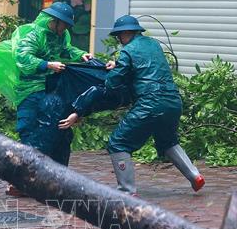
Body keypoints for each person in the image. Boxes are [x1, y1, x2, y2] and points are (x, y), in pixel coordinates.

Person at [58, 15, 205, 195]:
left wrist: (114, 72)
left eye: (119, 36)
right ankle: (195, 176)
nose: (119, 41)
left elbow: (112, 83)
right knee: (168, 141)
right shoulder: (153, 44)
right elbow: (144, 67)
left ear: (126, 33)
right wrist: (119, 65)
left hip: (150, 103)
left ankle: (127, 191)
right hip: (173, 102)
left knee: (118, 143)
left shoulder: (128, 51)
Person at [9, 2, 92, 195]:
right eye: (63, 24)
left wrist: (81, 55)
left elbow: (67, 50)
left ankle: (52, 179)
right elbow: (22, 58)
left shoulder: (61, 35)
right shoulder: (33, 34)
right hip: (30, 89)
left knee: (55, 131)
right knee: (29, 129)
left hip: (51, 87)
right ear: (54, 21)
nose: (65, 29)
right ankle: (21, 181)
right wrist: (47, 65)